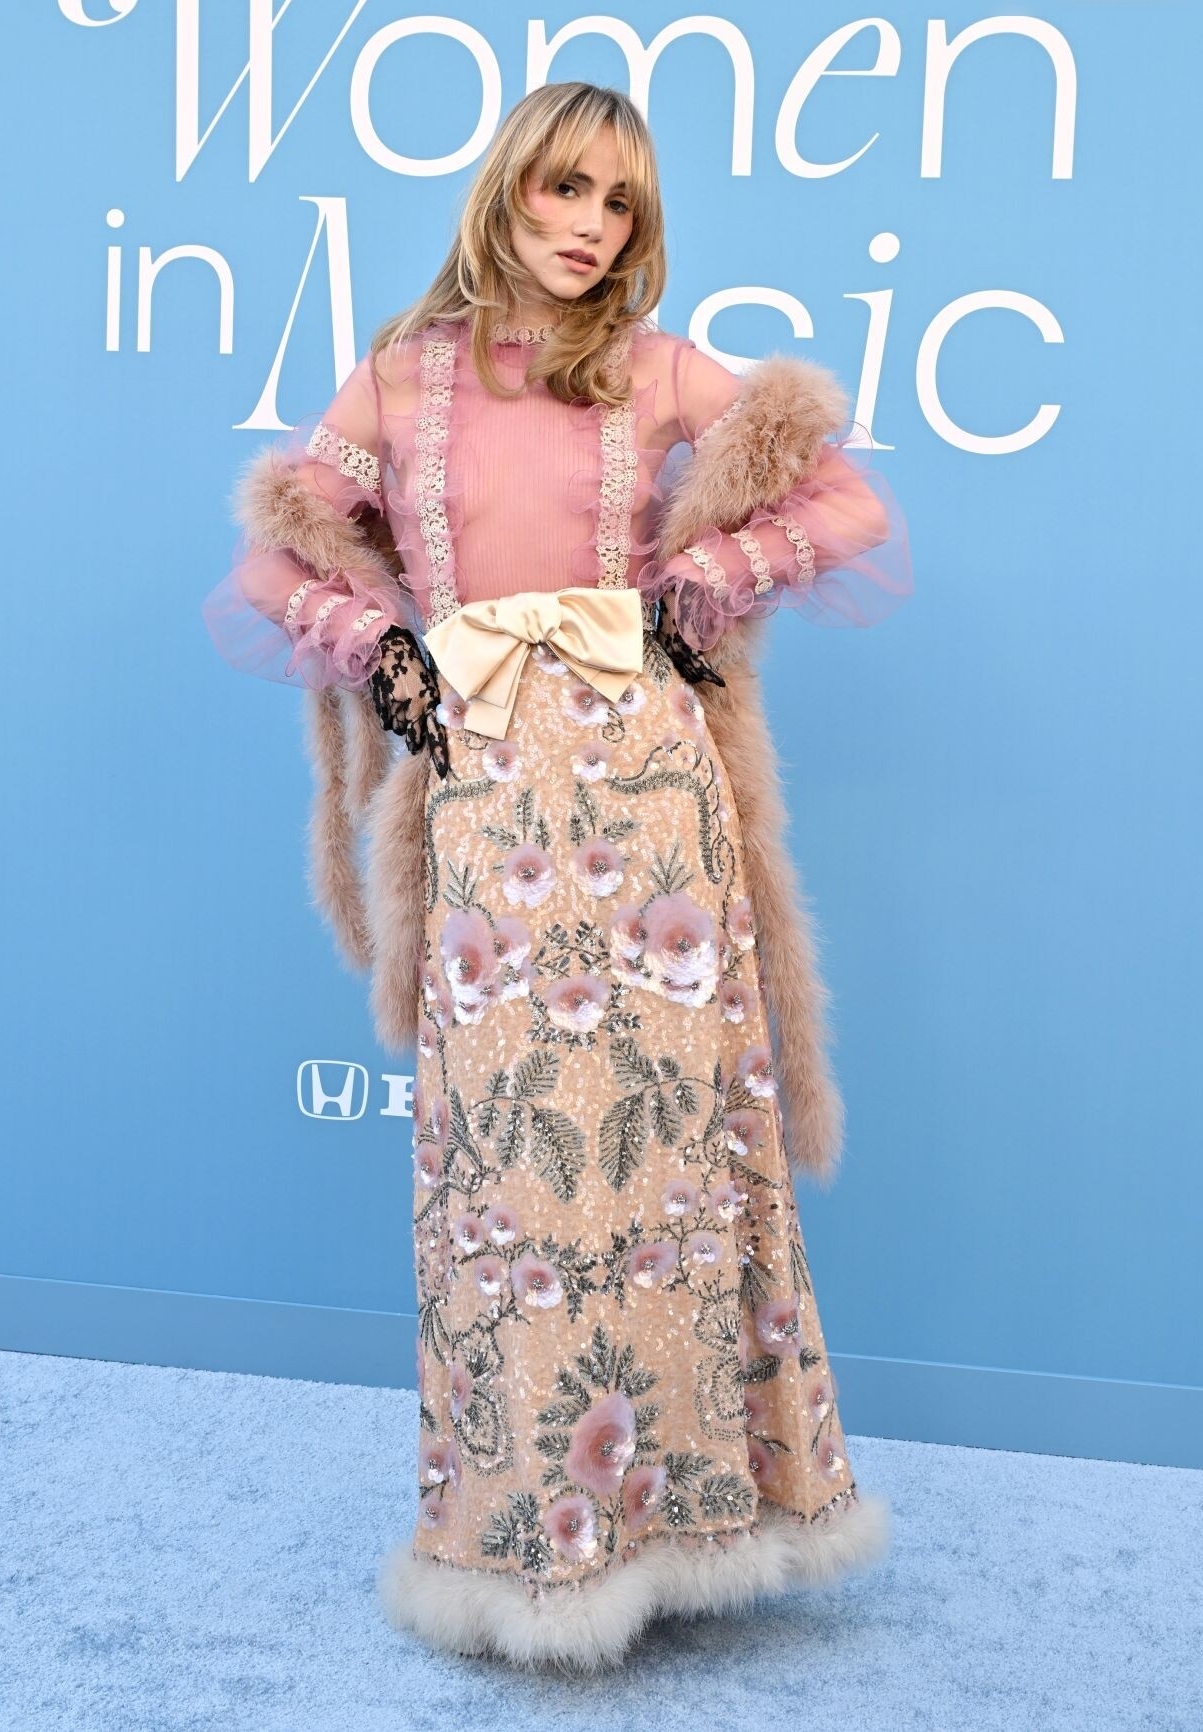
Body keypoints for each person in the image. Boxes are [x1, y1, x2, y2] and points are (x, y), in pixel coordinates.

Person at [202, 80, 913, 1673]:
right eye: (567, 188)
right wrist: (378, 647)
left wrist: (703, 580)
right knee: (510, 1170)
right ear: (508, 188)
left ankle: (689, 1527)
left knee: (668, 1153)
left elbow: (847, 499)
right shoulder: (406, 375)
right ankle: (529, 1536)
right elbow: (274, 555)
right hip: (490, 795)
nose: (592, 226)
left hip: (648, 791)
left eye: (622, 203)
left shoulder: (654, 367)